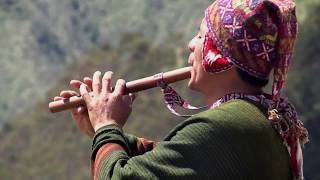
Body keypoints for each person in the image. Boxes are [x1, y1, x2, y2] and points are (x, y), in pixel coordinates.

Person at [54, 0, 309, 179]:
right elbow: (173, 161)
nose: (191, 44)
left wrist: (107, 126)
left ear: (219, 56)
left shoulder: (225, 126)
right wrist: (101, 130)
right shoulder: (251, 116)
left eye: (201, 37)